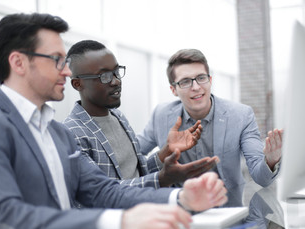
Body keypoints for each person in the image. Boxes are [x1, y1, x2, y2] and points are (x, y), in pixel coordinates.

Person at [0, 13, 228, 229]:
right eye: (57, 60)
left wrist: (180, 199)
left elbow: (103, 190)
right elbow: (3, 217)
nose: (67, 72)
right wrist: (120, 222)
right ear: (18, 63)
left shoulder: (57, 134)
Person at [137, 48, 283, 207]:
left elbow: (261, 178)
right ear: (173, 90)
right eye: (185, 81)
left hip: (228, 213)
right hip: (179, 212)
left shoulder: (241, 115)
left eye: (201, 78)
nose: (196, 87)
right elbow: (132, 160)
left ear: (210, 80)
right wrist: (162, 154)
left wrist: (271, 160)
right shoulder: (161, 115)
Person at [63, 40, 218, 188]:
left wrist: (167, 150)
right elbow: (99, 192)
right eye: (104, 76)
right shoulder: (71, 134)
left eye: (116, 72)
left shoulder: (118, 117)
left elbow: (138, 172)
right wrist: (161, 179)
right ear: (78, 84)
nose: (116, 81)